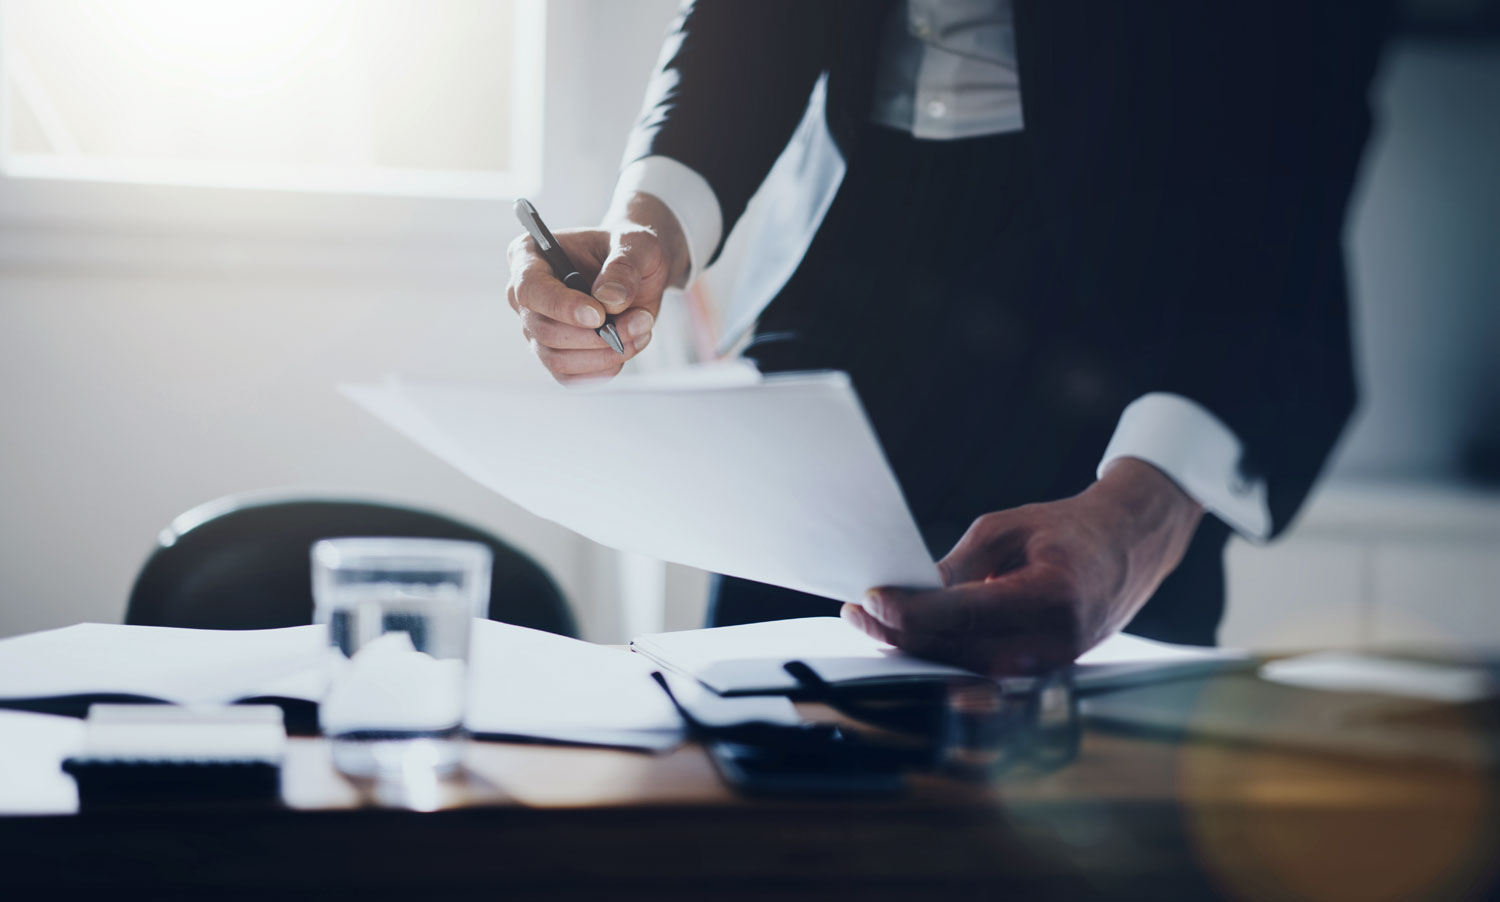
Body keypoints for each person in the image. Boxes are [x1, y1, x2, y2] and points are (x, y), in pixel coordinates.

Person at [504, 1, 1389, 674]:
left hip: (1140, 298)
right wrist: (650, 221)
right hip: (839, 267)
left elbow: (1303, 91)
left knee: (1083, 791)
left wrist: (1148, 507)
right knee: (747, 743)